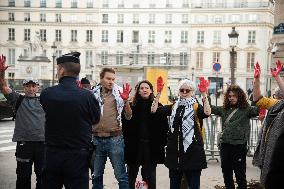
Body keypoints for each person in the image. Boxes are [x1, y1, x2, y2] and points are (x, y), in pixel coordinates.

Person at [40, 52, 100, 189]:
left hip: (52, 154)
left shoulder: (47, 94)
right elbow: (96, 120)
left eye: (57, 69)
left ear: (61, 70)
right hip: (78, 155)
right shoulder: (88, 97)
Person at [152, 78, 211, 189]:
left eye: (187, 90)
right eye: (182, 90)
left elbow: (207, 113)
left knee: (194, 185)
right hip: (175, 152)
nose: (184, 92)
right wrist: (158, 93)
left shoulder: (196, 106)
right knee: (174, 185)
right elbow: (154, 110)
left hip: (193, 151)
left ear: (192, 92)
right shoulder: (174, 106)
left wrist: (204, 93)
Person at [0, 54, 45, 189]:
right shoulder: (17, 99)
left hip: (42, 145)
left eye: (33, 86)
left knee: (42, 177)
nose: (31, 89)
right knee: (23, 177)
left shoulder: (45, 101)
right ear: (23, 87)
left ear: (38, 87)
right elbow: (3, 86)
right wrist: (2, 71)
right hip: (24, 145)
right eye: (28, 86)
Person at [210, 81, 259, 189]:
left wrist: (256, 85)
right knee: (226, 175)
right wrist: (204, 94)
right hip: (225, 145)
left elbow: (258, 108)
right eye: (229, 96)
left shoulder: (247, 109)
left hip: (239, 146)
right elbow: (210, 108)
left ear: (240, 96)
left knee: (240, 175)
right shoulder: (224, 109)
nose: (231, 98)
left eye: (234, 96)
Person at [122, 78, 168, 189]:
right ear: (138, 91)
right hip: (134, 146)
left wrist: (162, 143)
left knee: (150, 176)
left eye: (147, 88)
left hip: (151, 147)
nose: (144, 90)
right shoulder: (131, 105)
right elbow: (125, 123)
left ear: (151, 90)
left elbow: (164, 127)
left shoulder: (158, 105)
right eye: (141, 88)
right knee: (131, 175)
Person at [92, 67, 132, 189]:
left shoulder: (119, 92)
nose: (111, 81)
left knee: (121, 176)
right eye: (108, 78)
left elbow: (129, 116)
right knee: (96, 175)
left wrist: (125, 101)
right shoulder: (93, 93)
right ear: (101, 78)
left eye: (113, 79)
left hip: (115, 140)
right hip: (96, 139)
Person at [252, 61, 284, 189]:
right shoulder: (276, 104)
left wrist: (277, 77)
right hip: (268, 150)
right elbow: (257, 99)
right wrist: (257, 79)